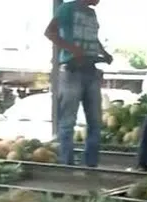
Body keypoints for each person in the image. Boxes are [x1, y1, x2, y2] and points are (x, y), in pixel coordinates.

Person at [44, 0, 113, 167]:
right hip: (72, 70)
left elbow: (93, 39)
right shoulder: (67, 8)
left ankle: (91, 164)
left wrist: (104, 53)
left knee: (95, 121)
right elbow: (50, 32)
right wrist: (72, 49)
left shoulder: (91, 13)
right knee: (68, 122)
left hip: (91, 70)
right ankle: (66, 163)